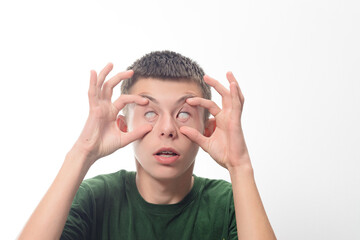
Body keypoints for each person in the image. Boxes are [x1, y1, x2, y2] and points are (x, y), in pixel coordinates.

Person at [19, 51, 276, 239]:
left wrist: (240, 166)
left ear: (207, 129)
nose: (167, 129)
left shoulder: (229, 204)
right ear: (122, 125)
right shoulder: (94, 198)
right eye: (150, 113)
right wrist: (82, 152)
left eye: (184, 114)